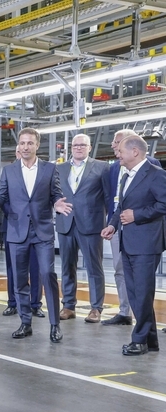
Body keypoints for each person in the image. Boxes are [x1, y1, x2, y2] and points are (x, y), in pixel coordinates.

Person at [0, 128, 72, 342]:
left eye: (30, 143)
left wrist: (57, 203)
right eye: (22, 143)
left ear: (37, 145)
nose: (25, 147)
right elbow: (2, 195)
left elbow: (56, 193)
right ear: (18, 146)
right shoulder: (9, 171)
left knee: (48, 274)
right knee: (19, 280)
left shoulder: (49, 169)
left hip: (42, 231)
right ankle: (25, 322)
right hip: (17, 232)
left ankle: (55, 325)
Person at [101, 135, 166, 356]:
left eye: (120, 151)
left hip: (147, 244)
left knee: (142, 293)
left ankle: (138, 341)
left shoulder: (156, 175)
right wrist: (112, 224)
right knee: (136, 293)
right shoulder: (125, 177)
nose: (117, 154)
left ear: (135, 152)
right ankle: (151, 341)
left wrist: (137, 215)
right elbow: (121, 208)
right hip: (127, 243)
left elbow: (164, 204)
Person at [55, 134, 111, 323]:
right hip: (66, 223)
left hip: (91, 224)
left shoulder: (102, 168)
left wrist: (111, 222)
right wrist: (55, 205)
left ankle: (96, 308)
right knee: (66, 267)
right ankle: (68, 306)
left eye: (82, 145)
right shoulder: (59, 169)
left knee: (94, 268)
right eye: (75, 145)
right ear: (71, 147)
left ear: (90, 147)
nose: (78, 148)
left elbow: (109, 197)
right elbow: (52, 194)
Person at [1, 146, 44, 318]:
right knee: (14, 270)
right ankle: (13, 303)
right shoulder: (9, 173)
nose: (22, 154)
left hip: (36, 227)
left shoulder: (38, 173)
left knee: (36, 269)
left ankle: (35, 304)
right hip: (14, 226)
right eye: (19, 152)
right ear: (16, 154)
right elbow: (2, 197)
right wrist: (15, 213)